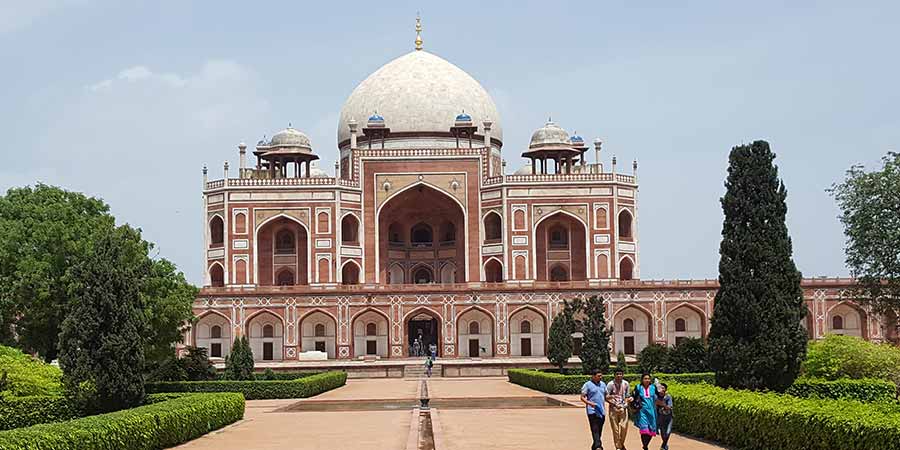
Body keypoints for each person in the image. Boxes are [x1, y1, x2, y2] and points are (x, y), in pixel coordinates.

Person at [580, 370, 607, 450]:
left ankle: (594, 446)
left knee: (599, 430)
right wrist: (589, 403)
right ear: (593, 376)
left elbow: (606, 395)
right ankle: (599, 446)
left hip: (601, 410)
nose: (600, 377)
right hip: (592, 411)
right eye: (599, 376)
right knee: (594, 428)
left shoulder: (603, 384)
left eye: (601, 376)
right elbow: (582, 397)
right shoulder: (587, 385)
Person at [605, 369, 631, 450]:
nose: (619, 375)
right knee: (615, 429)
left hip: (623, 408)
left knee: (624, 427)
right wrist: (612, 402)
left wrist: (626, 403)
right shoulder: (610, 384)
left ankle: (621, 444)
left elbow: (627, 396)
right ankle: (618, 447)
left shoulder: (626, 383)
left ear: (623, 375)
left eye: (620, 374)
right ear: (614, 375)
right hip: (613, 408)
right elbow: (606, 397)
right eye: (617, 374)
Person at [633, 373, 658, 450]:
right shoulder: (638, 387)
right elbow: (633, 397)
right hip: (642, 411)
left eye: (648, 379)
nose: (647, 380)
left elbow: (660, 396)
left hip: (652, 411)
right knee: (644, 430)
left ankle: (645, 445)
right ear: (642, 380)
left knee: (651, 430)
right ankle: (645, 446)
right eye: (645, 379)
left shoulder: (653, 387)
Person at [656, 383, 673, 450]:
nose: (661, 389)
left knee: (668, 432)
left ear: (665, 389)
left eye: (663, 388)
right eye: (660, 388)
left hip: (669, 417)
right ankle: (664, 445)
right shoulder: (656, 397)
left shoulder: (668, 397)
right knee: (663, 433)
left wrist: (663, 405)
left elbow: (669, 407)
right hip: (660, 417)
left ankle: (663, 445)